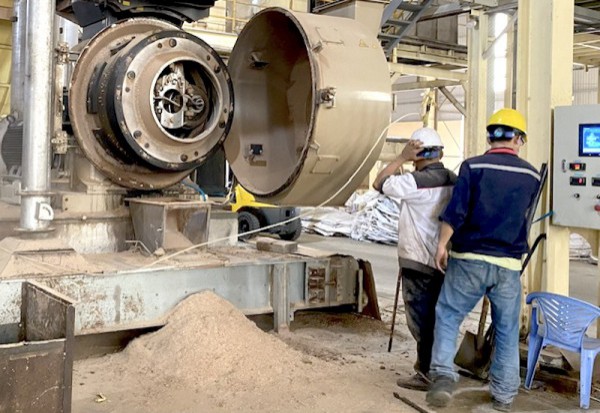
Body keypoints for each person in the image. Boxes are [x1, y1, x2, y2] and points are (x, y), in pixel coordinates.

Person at [425, 109, 540, 412]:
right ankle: (504, 396)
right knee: (507, 329)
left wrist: (441, 245)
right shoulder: (532, 176)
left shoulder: (473, 166)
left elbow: (456, 212)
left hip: (469, 259)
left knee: (449, 314)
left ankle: (443, 376)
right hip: (508, 265)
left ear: (490, 137)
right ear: (519, 139)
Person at [373, 127, 456, 391]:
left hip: (418, 260)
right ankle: (441, 368)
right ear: (440, 153)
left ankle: (426, 373)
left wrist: (401, 157)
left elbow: (379, 182)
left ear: (417, 154)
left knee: (421, 321)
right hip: (444, 260)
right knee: (438, 317)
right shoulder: (453, 180)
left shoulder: (413, 182)